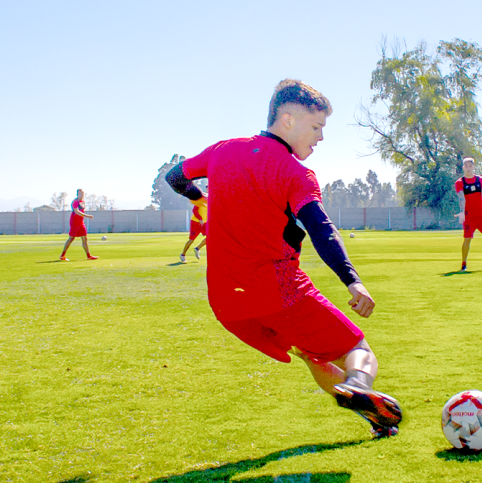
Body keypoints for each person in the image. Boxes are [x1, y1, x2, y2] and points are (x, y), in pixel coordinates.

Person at [165, 79, 402, 438]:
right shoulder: (295, 173)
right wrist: (352, 281)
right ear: (288, 119)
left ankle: (375, 419)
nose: (321, 137)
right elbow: (321, 229)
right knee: (359, 350)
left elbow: (175, 177)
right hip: (280, 293)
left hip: (228, 302)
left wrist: (199, 199)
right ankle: (358, 384)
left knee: (312, 354)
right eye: (316, 126)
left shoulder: (222, 151)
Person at [60, 189, 98, 261]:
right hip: (75, 223)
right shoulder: (75, 202)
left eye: (82, 194)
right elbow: (76, 211)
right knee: (71, 238)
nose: (81, 195)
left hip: (81, 223)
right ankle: (62, 255)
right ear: (77, 194)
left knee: (84, 238)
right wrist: (87, 216)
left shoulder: (82, 202)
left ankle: (88, 256)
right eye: (80, 194)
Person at [180, 194, 208, 263]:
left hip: (204, 223)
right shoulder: (201, 201)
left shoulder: (210, 203)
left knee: (209, 237)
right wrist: (200, 219)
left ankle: (197, 248)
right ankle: (183, 254)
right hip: (195, 223)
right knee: (191, 239)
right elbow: (194, 210)